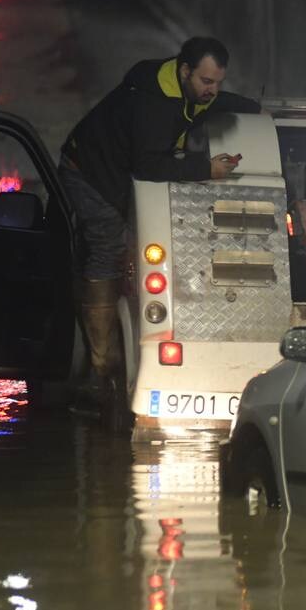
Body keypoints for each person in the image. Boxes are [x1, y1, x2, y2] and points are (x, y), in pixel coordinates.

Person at [58, 36, 261, 409]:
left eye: (218, 82)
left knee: (117, 247)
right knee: (109, 247)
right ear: (185, 71)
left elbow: (215, 104)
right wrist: (206, 169)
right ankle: (105, 369)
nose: (212, 90)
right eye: (206, 82)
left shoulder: (185, 87)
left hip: (112, 170)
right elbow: (148, 165)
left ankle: (92, 355)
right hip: (88, 172)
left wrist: (259, 109)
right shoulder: (152, 103)